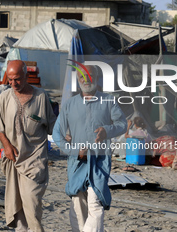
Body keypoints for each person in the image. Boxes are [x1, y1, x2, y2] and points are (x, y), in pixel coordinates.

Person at [52, 65, 127, 232]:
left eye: (90, 76)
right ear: (78, 81)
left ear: (97, 78)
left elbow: (122, 124)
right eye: (82, 77)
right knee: (78, 204)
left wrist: (107, 131)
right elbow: (57, 133)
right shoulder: (70, 105)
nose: (86, 80)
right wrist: (73, 151)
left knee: (95, 202)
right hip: (76, 163)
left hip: (99, 162)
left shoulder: (108, 101)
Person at [0, 60, 56, 232]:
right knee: (18, 205)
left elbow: (53, 126)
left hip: (34, 161)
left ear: (27, 76)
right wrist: (6, 145)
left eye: (18, 79)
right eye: (10, 80)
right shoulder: (5, 97)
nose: (13, 83)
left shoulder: (41, 97)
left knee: (31, 202)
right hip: (13, 159)